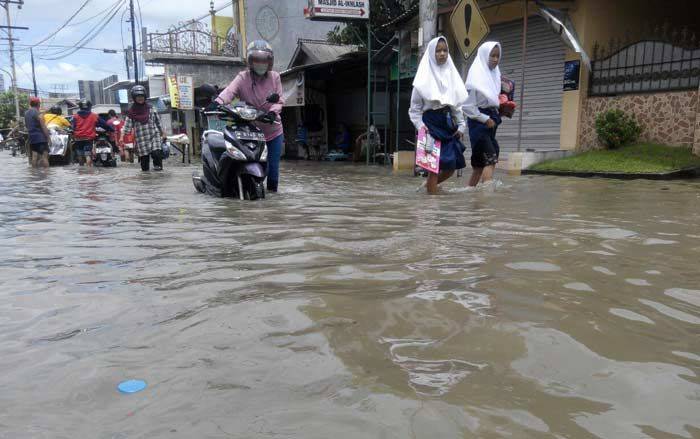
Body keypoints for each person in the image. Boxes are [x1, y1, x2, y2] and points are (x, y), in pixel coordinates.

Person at [213, 39, 285, 192]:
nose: (260, 63)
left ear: (269, 61)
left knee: (273, 171)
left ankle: (273, 199)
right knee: (241, 160)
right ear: (250, 61)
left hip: (273, 132)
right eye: (257, 59)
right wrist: (217, 102)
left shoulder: (275, 77)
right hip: (249, 132)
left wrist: (273, 112)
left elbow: (279, 99)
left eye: (264, 60)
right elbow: (229, 92)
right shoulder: (242, 77)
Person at [409, 36, 468, 194]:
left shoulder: (452, 76)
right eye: (438, 50)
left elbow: (456, 104)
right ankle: (431, 207)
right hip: (430, 126)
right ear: (431, 53)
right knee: (433, 168)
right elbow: (414, 110)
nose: (442, 54)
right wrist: (422, 128)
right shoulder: (421, 81)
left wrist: (462, 125)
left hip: (447, 124)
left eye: (445, 50)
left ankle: (428, 187)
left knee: (450, 166)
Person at [463, 41, 503, 187]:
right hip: (479, 125)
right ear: (485, 56)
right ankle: (486, 196)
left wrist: (502, 109)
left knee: (479, 166)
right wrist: (485, 119)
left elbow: (492, 101)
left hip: (491, 123)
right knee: (490, 159)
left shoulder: (495, 75)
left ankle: (472, 196)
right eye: (492, 55)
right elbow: (467, 107)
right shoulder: (475, 79)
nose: (495, 59)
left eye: (498, 56)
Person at [121, 85, 166, 171]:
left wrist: (163, 133)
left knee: (156, 154)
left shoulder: (151, 108)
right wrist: (122, 140)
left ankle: (159, 177)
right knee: (145, 165)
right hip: (141, 139)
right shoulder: (131, 113)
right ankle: (147, 181)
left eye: (141, 96)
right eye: (138, 97)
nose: (140, 98)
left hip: (154, 135)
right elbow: (126, 129)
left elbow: (158, 122)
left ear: (145, 96)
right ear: (134, 98)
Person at [71, 99, 113, 167]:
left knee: (80, 155)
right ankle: (88, 170)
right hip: (88, 139)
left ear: (80, 106)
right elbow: (104, 124)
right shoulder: (94, 116)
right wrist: (111, 129)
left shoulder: (75, 116)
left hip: (78, 139)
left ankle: (81, 170)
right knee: (88, 155)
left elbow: (73, 127)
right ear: (90, 107)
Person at [24, 96, 51, 168]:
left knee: (34, 157)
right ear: (38, 104)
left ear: (30, 104)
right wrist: (48, 138)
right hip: (40, 138)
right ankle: (47, 175)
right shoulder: (38, 113)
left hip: (32, 138)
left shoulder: (26, 113)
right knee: (45, 157)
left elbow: (26, 126)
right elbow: (43, 126)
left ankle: (34, 174)